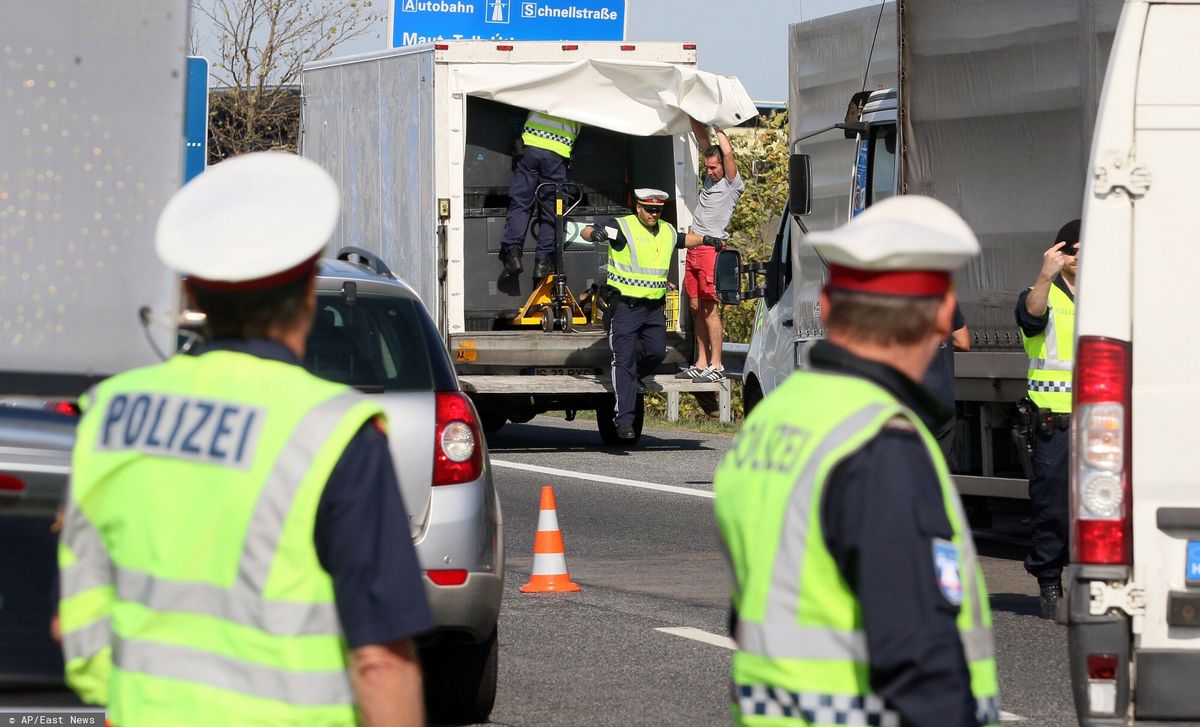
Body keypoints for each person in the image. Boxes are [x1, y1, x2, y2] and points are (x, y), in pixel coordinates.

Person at [57, 152, 433, 725]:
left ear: (192, 296)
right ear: (309, 290)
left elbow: (75, 624)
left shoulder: (108, 413)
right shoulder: (331, 428)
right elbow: (381, 661)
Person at [713, 196, 1000, 726]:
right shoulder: (878, 443)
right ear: (942, 315)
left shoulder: (768, 426)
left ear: (825, 308)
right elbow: (917, 655)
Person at [581, 188, 720, 440]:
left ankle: (630, 378)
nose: (653, 213)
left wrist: (707, 240)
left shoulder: (665, 230)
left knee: (656, 353)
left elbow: (682, 239)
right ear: (638, 208)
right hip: (625, 307)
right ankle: (624, 421)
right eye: (649, 209)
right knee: (622, 362)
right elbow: (586, 231)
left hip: (654, 309)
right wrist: (595, 233)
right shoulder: (623, 227)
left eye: (658, 209)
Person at [1015, 218, 1080, 619]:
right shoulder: (1041, 294)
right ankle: (1049, 580)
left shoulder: (1110, 293)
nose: (1078, 255)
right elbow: (1030, 317)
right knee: (1052, 506)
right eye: (1070, 249)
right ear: (1058, 253)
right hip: (1054, 422)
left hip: (1103, 421)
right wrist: (1044, 275)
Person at [676, 117, 744, 383]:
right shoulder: (709, 179)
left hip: (711, 251)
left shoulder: (731, 184)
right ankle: (700, 362)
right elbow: (703, 141)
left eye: (714, 168)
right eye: (708, 167)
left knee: (709, 308)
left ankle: (716, 365)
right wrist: (692, 114)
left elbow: (726, 151)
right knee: (694, 306)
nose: (710, 171)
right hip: (695, 247)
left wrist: (718, 127)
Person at [499, 109, 582, 280]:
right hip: (557, 153)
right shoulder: (578, 90)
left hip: (531, 146)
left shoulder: (542, 84)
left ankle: (512, 254)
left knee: (521, 203)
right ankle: (542, 262)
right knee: (552, 209)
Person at [922, 296, 970, 470]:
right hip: (942, 402)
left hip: (910, 403)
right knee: (941, 472)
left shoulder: (893, 301)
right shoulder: (945, 298)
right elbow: (963, 342)